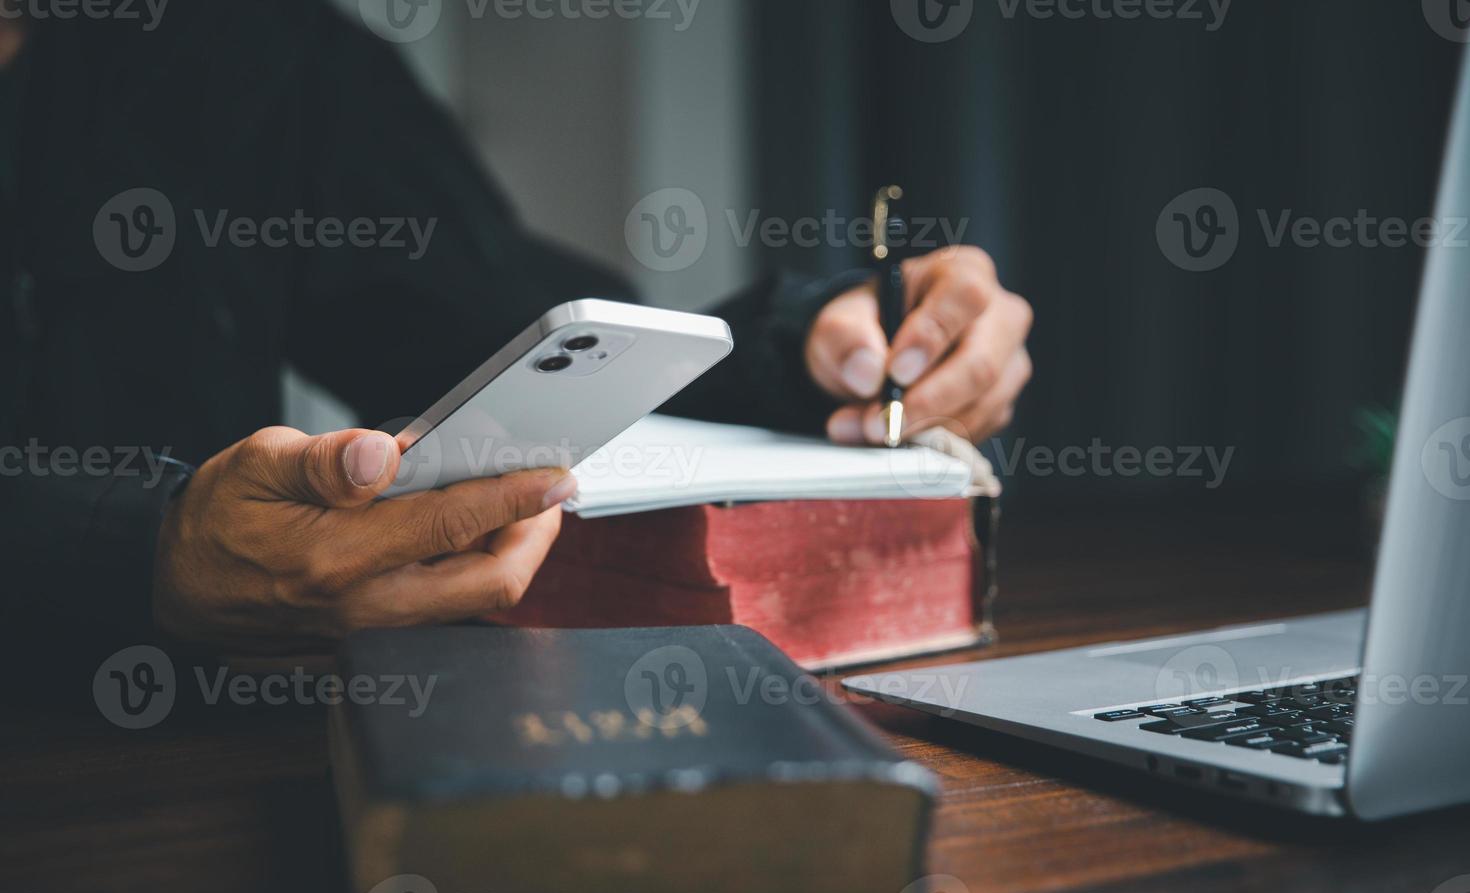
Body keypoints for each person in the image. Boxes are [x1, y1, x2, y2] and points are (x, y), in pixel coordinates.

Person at [0, 0, 1031, 661]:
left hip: (230, 766)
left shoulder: (248, 48)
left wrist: (810, 343)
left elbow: (497, 339)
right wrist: (139, 551)